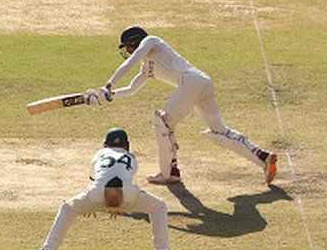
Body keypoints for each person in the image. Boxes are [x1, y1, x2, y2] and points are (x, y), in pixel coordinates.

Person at [91, 26, 277, 185]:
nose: (129, 51)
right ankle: (263, 157)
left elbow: (131, 62)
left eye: (129, 46)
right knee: (219, 130)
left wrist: (108, 85)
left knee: (163, 123)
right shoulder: (147, 67)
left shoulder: (151, 41)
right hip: (201, 83)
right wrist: (108, 95)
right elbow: (132, 89)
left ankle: (169, 173)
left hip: (191, 82)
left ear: (135, 41)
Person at [31, 128, 180, 250]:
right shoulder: (131, 157)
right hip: (127, 194)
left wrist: (90, 204)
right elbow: (121, 180)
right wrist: (116, 205)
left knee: (68, 208)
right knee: (159, 207)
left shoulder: (99, 154)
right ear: (127, 146)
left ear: (104, 145)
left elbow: (99, 180)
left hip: (96, 194)